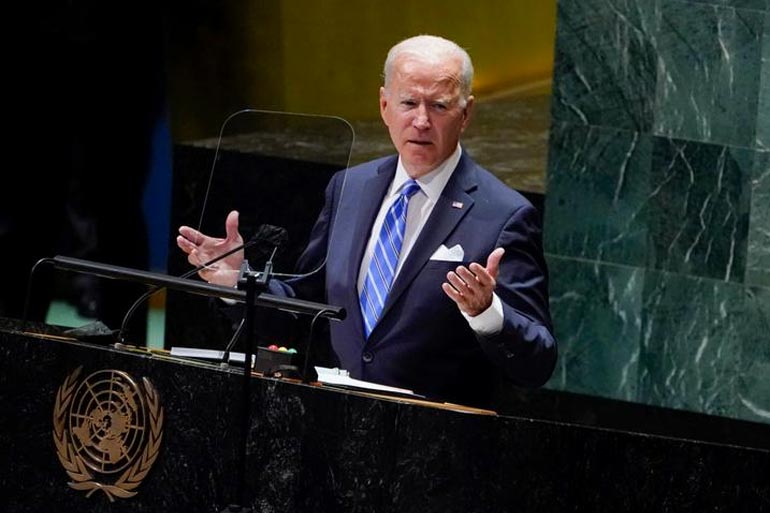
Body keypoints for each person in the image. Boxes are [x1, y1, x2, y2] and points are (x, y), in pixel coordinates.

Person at [177, 34, 556, 407]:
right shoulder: (349, 188)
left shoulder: (504, 215)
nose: (422, 121)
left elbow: (536, 363)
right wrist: (238, 281)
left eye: (439, 106)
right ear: (384, 105)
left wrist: (486, 312)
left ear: (466, 113)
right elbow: (307, 307)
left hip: (435, 447)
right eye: (408, 103)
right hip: (334, 430)